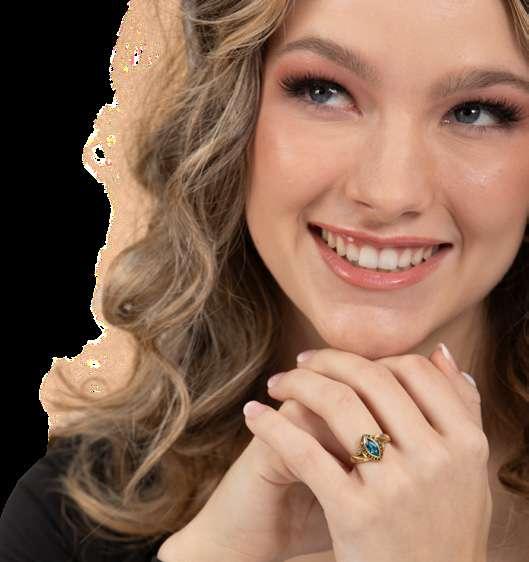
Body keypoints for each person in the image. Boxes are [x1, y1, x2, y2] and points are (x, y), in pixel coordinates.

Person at [1, 0, 528, 561]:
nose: (389, 193)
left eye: (476, 112)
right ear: (231, 115)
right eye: (324, 92)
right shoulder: (63, 522)